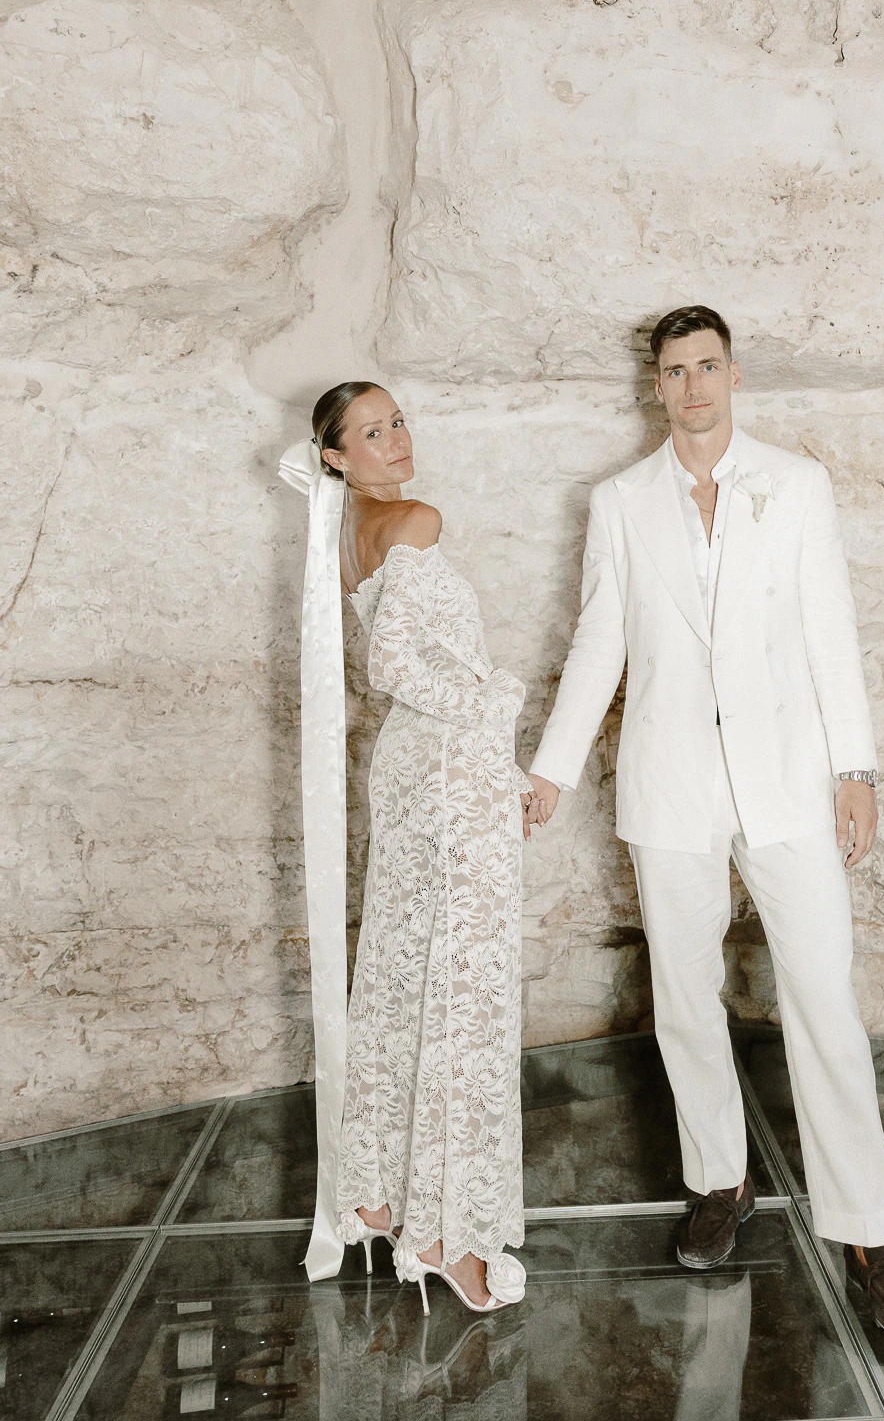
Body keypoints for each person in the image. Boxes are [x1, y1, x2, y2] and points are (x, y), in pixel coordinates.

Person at [526, 307, 884, 1352]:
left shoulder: (795, 485)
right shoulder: (618, 501)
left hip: (787, 782)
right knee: (681, 994)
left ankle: (870, 1238)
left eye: (707, 366)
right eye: (674, 371)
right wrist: (549, 770)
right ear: (655, 387)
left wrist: (854, 771)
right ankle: (719, 1181)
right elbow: (597, 641)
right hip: (669, 785)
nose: (693, 387)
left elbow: (829, 629)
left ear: (732, 375)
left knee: (823, 999)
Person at [292, 380, 532, 1315]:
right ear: (335, 456)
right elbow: (393, 664)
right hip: (446, 769)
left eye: (397, 422)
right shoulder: (413, 518)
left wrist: (501, 763)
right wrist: (497, 704)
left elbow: (400, 665)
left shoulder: (346, 536)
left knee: (403, 975)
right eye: (371, 431)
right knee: (463, 993)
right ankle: (443, 1241)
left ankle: (382, 1200)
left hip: (412, 769)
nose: (396, 439)